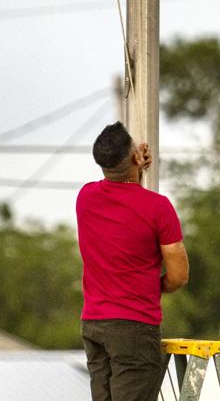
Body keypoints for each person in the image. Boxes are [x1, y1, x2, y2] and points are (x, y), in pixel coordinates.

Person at [76, 121, 189, 401]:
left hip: (94, 324)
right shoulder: (158, 208)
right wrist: (152, 284)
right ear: (134, 157)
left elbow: (121, 182)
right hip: (133, 328)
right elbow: (178, 276)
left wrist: (134, 164)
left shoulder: (85, 197)